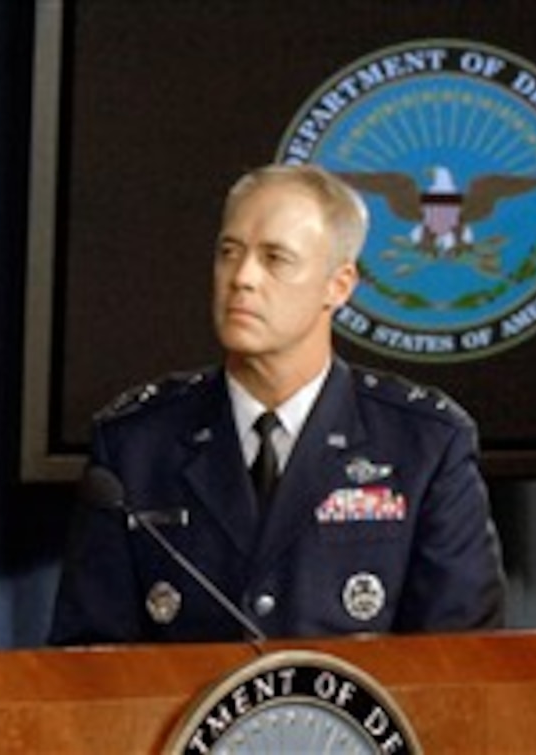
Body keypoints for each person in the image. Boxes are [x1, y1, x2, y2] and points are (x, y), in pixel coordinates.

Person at [49, 163, 506, 646]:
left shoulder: (425, 444)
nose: (242, 278)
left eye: (276, 259)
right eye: (229, 252)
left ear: (339, 285)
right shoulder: (134, 446)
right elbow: (88, 667)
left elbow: (463, 668)